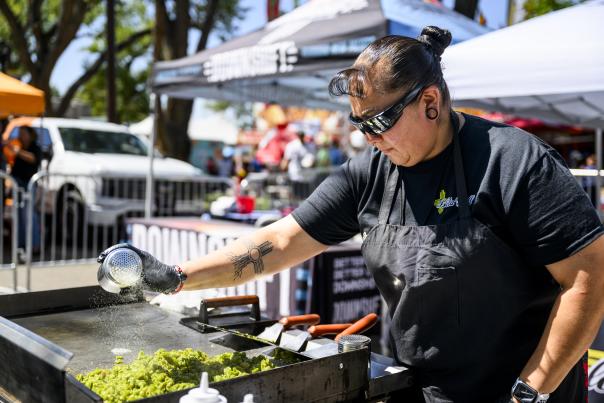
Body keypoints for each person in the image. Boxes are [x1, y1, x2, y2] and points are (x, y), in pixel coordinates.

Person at [99, 27, 604, 403]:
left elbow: (589, 278)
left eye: (381, 121)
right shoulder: (370, 172)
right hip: (417, 388)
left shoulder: (514, 161)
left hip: (518, 391)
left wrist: (529, 392)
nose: (371, 138)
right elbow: (278, 242)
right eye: (360, 125)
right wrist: (174, 277)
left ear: (430, 101)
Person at [8, 126, 42, 251]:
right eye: (20, 133)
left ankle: (34, 245)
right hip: (18, 185)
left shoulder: (34, 147)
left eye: (23, 133)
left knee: (29, 215)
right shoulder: (19, 145)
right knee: (19, 215)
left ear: (30, 134)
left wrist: (17, 151)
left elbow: (33, 158)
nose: (21, 136)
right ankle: (21, 245)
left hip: (29, 185)